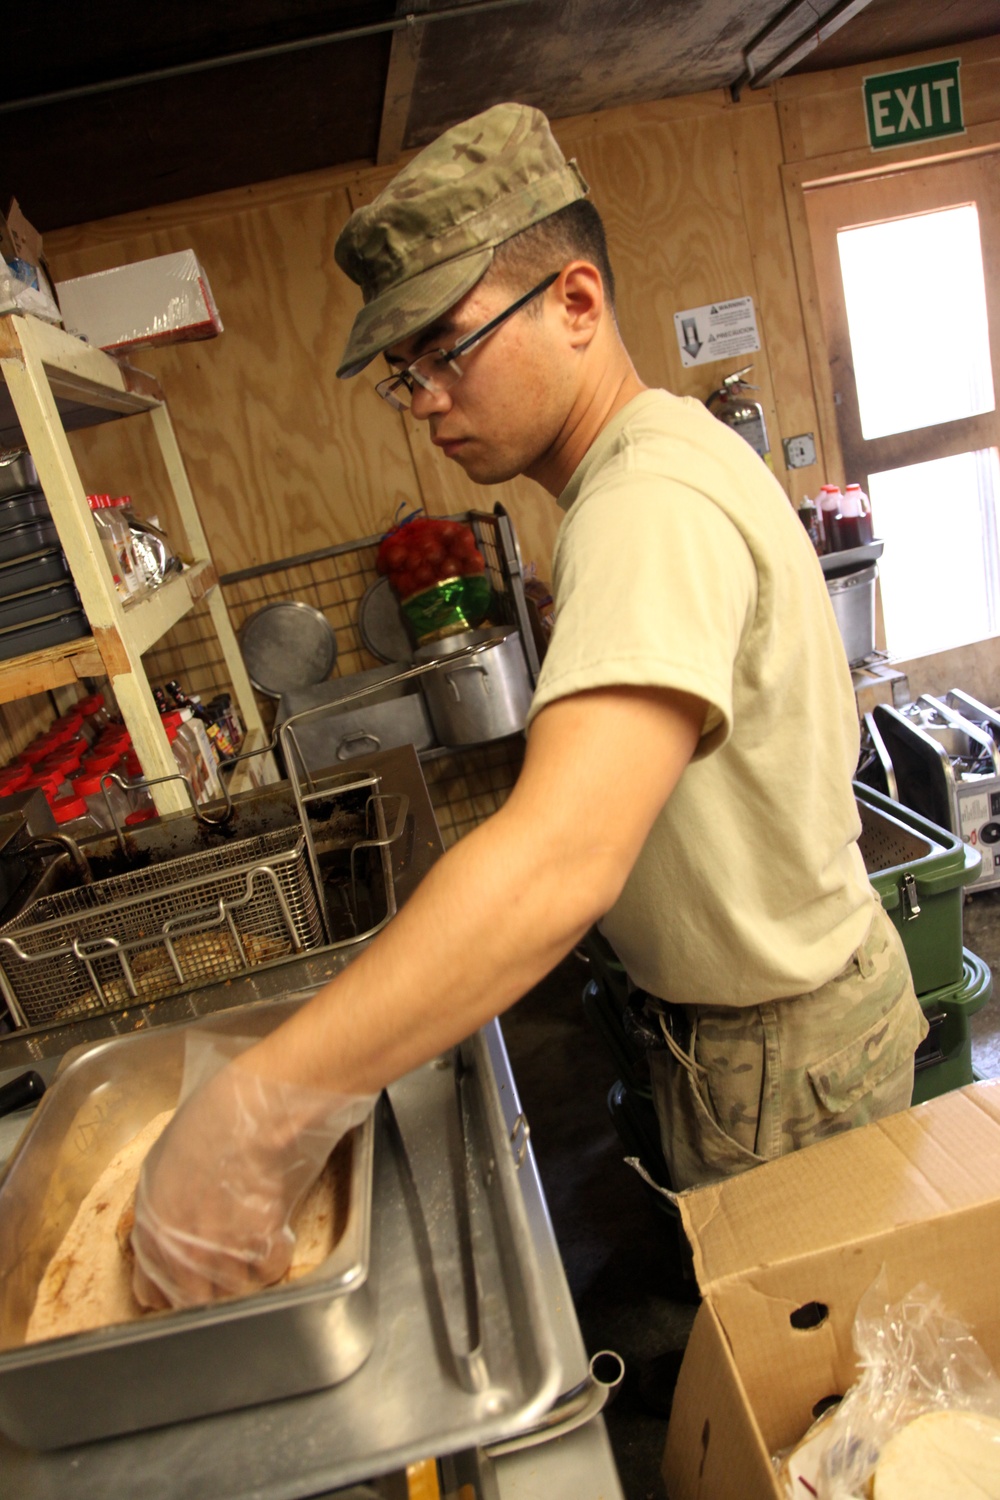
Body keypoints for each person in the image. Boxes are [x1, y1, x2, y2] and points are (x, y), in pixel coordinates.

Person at [131, 102, 927, 1310]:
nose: (429, 399)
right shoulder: (646, 463)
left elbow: (559, 863)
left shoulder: (644, 500)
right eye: (408, 374)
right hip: (764, 1026)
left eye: (448, 349)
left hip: (781, 1049)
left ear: (575, 302)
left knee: (800, 1392)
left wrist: (255, 1110)